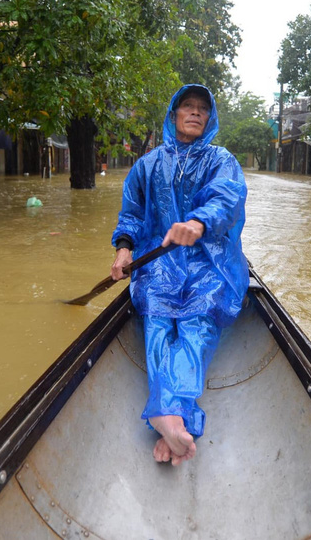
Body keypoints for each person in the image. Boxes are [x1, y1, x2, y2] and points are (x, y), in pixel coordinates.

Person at [110, 83, 248, 466]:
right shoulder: (148, 164)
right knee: (157, 319)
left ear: (210, 118)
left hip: (210, 261)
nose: (195, 112)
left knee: (197, 323)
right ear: (173, 116)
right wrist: (124, 249)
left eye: (203, 109)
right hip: (160, 261)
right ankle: (177, 418)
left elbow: (226, 198)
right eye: (187, 106)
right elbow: (132, 213)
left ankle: (167, 413)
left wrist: (199, 223)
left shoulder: (222, 160)